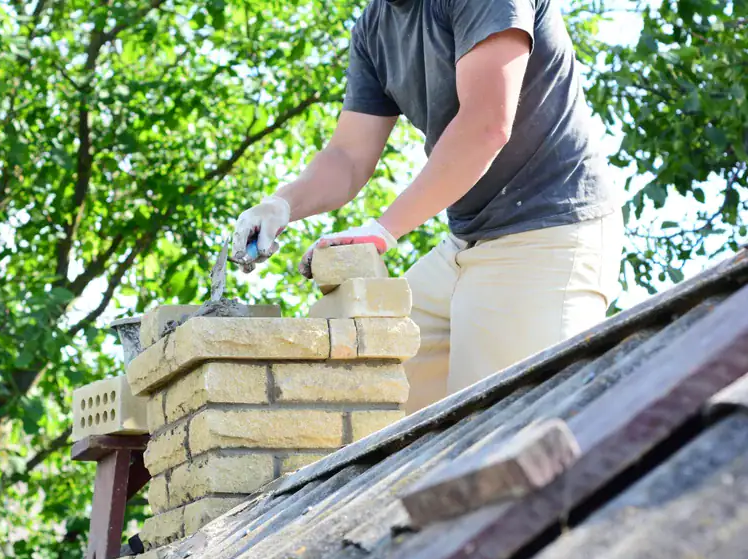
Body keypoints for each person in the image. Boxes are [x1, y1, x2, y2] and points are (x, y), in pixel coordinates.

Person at [230, 0, 624, 415]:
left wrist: (384, 229)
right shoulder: (375, 26)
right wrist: (281, 204)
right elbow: (348, 155)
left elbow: (486, 124)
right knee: (362, 396)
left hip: (548, 238)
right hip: (465, 245)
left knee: (503, 435)